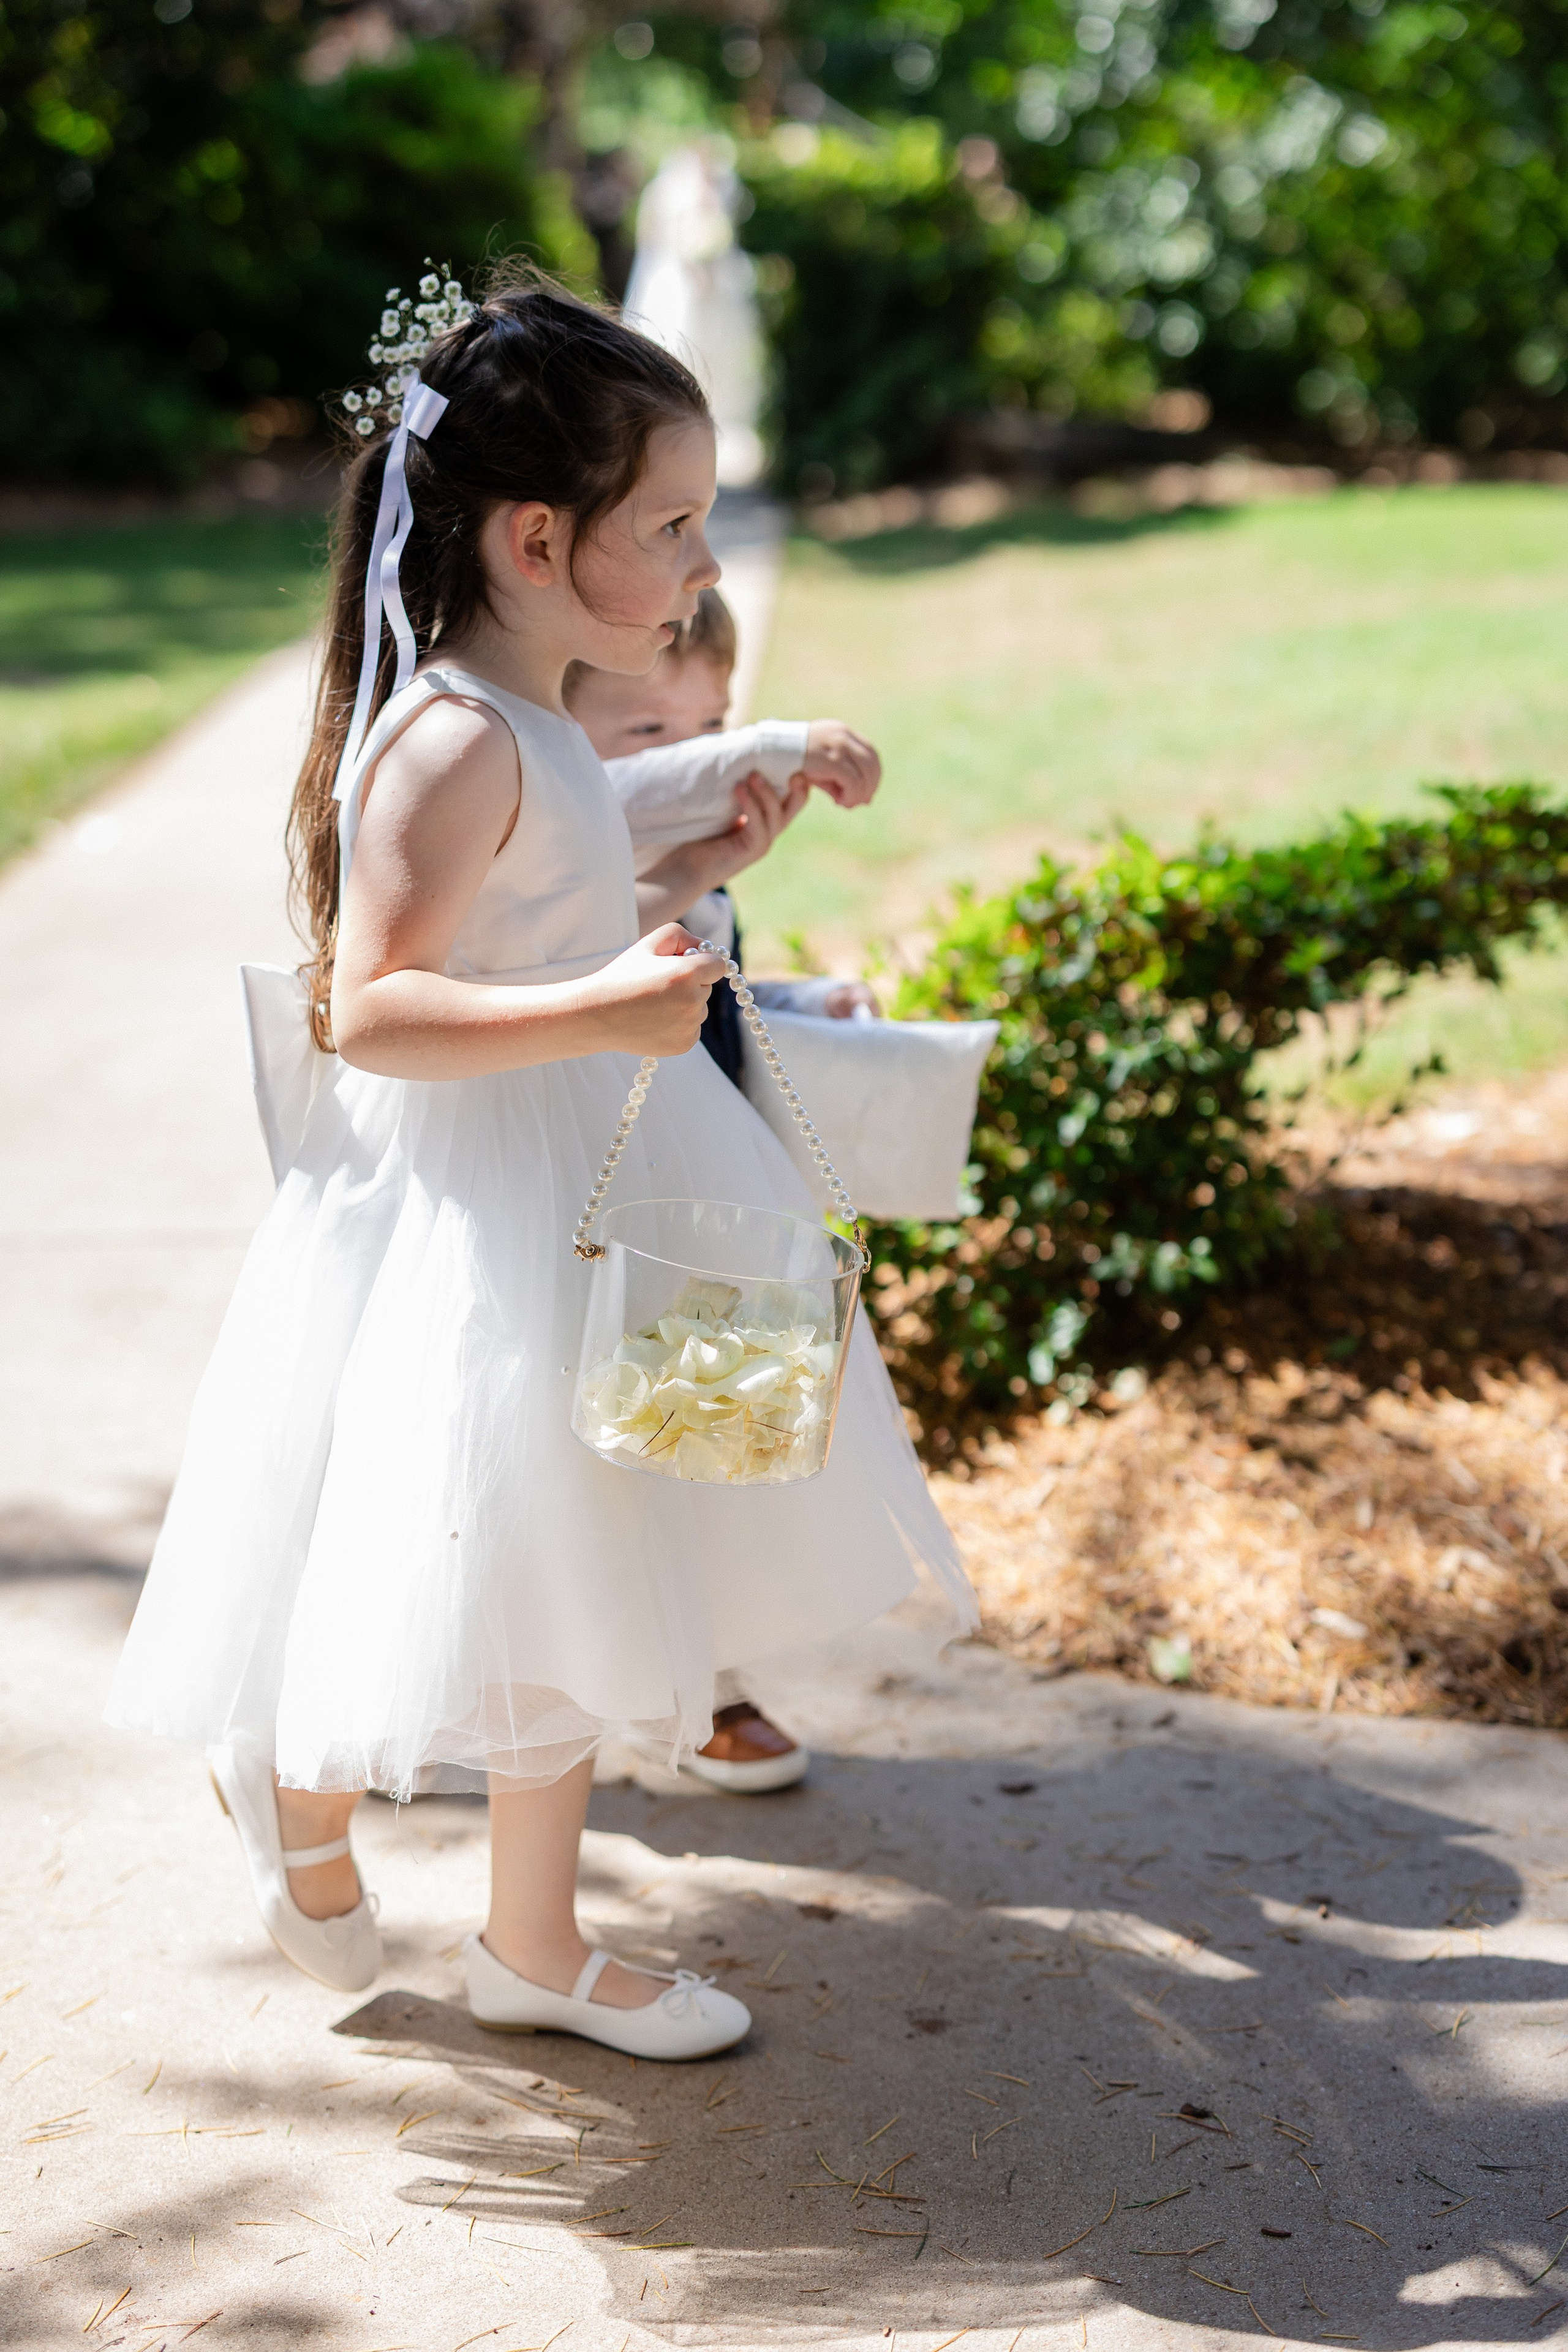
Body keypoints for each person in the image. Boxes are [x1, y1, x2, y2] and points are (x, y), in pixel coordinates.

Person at [105, 265, 973, 2063]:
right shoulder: (443, 742)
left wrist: (694, 846)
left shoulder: (541, 721)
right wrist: (599, 1003)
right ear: (529, 539)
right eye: (670, 523)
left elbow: (560, 881)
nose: (705, 560)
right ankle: (337, 1811)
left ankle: (512, 1929)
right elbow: (375, 1009)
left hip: (587, 1163)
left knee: (587, 1553)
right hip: (482, 1213)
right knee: (534, 1543)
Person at [565, 589, 875, 1793]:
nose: (692, 766)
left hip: (693, 1183)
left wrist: (793, 1002)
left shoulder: (686, 857)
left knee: (697, 1433)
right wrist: (763, 752)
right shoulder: (562, 853)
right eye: (655, 738)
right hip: (596, 1186)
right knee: (590, 1450)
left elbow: (712, 976)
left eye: (713, 727)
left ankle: (702, 1676)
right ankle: (555, 1689)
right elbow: (591, 940)